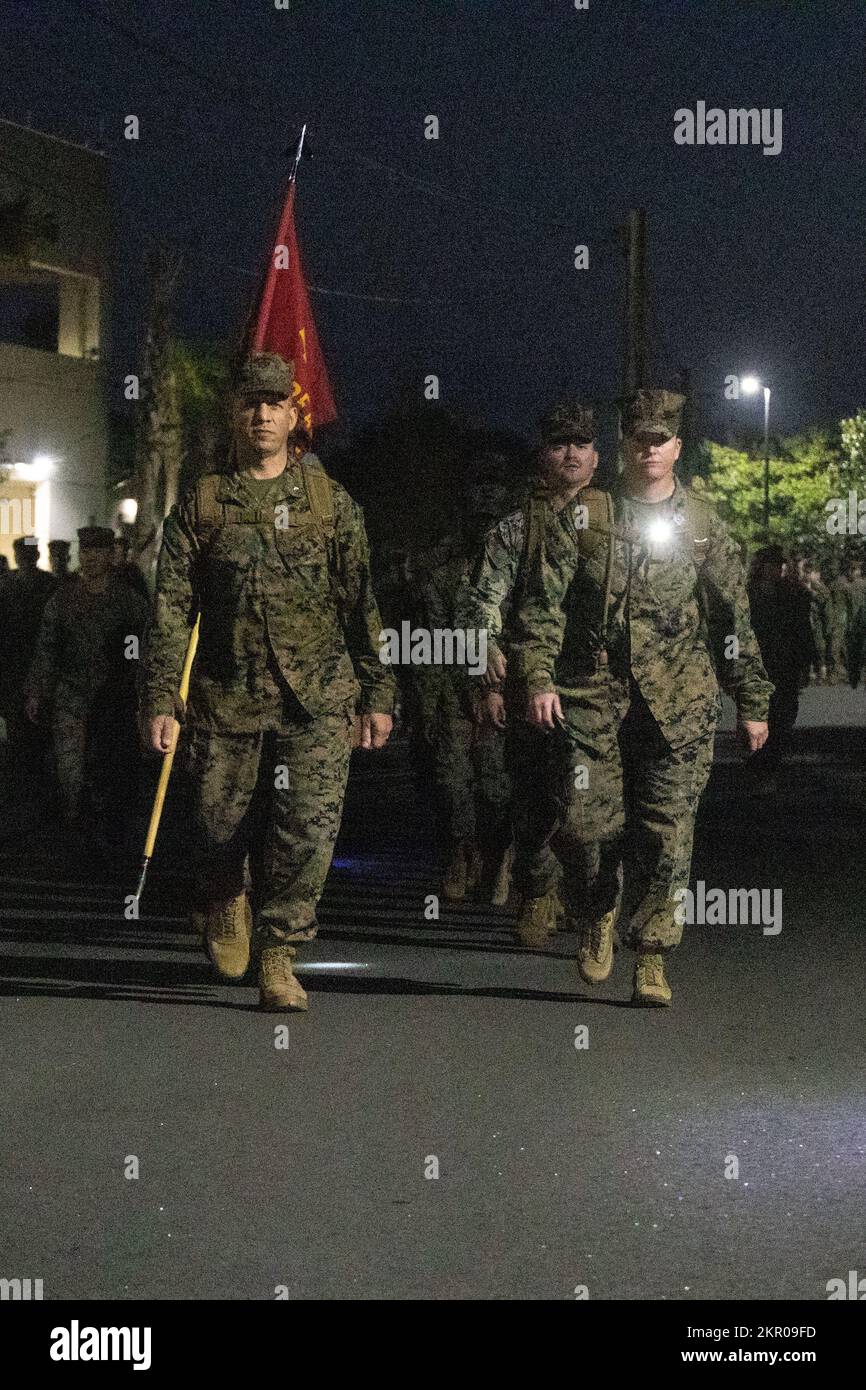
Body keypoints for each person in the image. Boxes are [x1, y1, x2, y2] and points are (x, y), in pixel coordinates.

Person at [139, 352, 395, 1011]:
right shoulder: (202, 504)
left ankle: (280, 957)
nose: (261, 414)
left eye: (274, 403)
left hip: (316, 700)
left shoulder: (329, 503)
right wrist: (162, 697)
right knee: (215, 823)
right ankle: (225, 895)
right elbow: (171, 610)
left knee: (306, 831)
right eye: (250, 402)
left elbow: (361, 602)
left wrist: (377, 693)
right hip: (226, 698)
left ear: (292, 414)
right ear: (235, 412)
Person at [512, 389, 772, 1006]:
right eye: (639, 439)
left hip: (679, 699)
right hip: (592, 696)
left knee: (667, 831)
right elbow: (541, 607)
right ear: (623, 446)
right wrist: (538, 679)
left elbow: (733, 617)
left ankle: (652, 953)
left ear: (677, 447)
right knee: (581, 824)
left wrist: (753, 699)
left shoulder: (703, 525)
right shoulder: (584, 515)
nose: (649, 449)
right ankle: (598, 910)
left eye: (661, 439)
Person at [458, 399, 599, 945]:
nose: (570, 454)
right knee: (536, 795)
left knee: (592, 799)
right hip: (527, 680)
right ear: (542, 455)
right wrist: (486, 673)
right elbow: (482, 601)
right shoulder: (515, 529)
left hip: (596, 683)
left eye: (580, 444)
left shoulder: (619, 523)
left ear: (596, 457)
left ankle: (589, 900)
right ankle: (538, 887)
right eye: (560, 444)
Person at [406, 455, 514, 904]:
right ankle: (461, 851)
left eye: (493, 519)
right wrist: (428, 704)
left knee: (496, 785)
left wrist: (495, 689)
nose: (485, 527)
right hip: (450, 691)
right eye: (478, 518)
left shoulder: (515, 561)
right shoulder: (439, 566)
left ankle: (499, 857)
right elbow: (428, 637)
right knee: (450, 782)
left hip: (502, 691)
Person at [26, 527, 149, 848]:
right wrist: (37, 690)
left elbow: (140, 649)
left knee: (107, 769)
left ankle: (101, 831)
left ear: (111, 555)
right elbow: (47, 646)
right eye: (86, 552)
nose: (90, 558)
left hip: (112, 701)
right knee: (70, 769)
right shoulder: (63, 599)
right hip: (72, 697)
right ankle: (74, 824)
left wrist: (138, 688)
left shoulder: (128, 601)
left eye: (98, 552)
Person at [0, 537, 57, 821]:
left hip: (39, 670)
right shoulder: (7, 586)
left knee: (36, 735)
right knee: (20, 735)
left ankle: (33, 794)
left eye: (31, 552)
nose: (27, 557)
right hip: (14, 671)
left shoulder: (51, 585)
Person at [746, 545, 811, 789]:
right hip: (759, 666)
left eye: (778, 564)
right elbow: (735, 633)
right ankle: (759, 765)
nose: (776, 569)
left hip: (785, 666)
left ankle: (770, 764)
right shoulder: (750, 596)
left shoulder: (793, 595)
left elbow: (803, 631)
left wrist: (805, 662)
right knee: (758, 716)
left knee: (783, 718)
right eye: (771, 564)